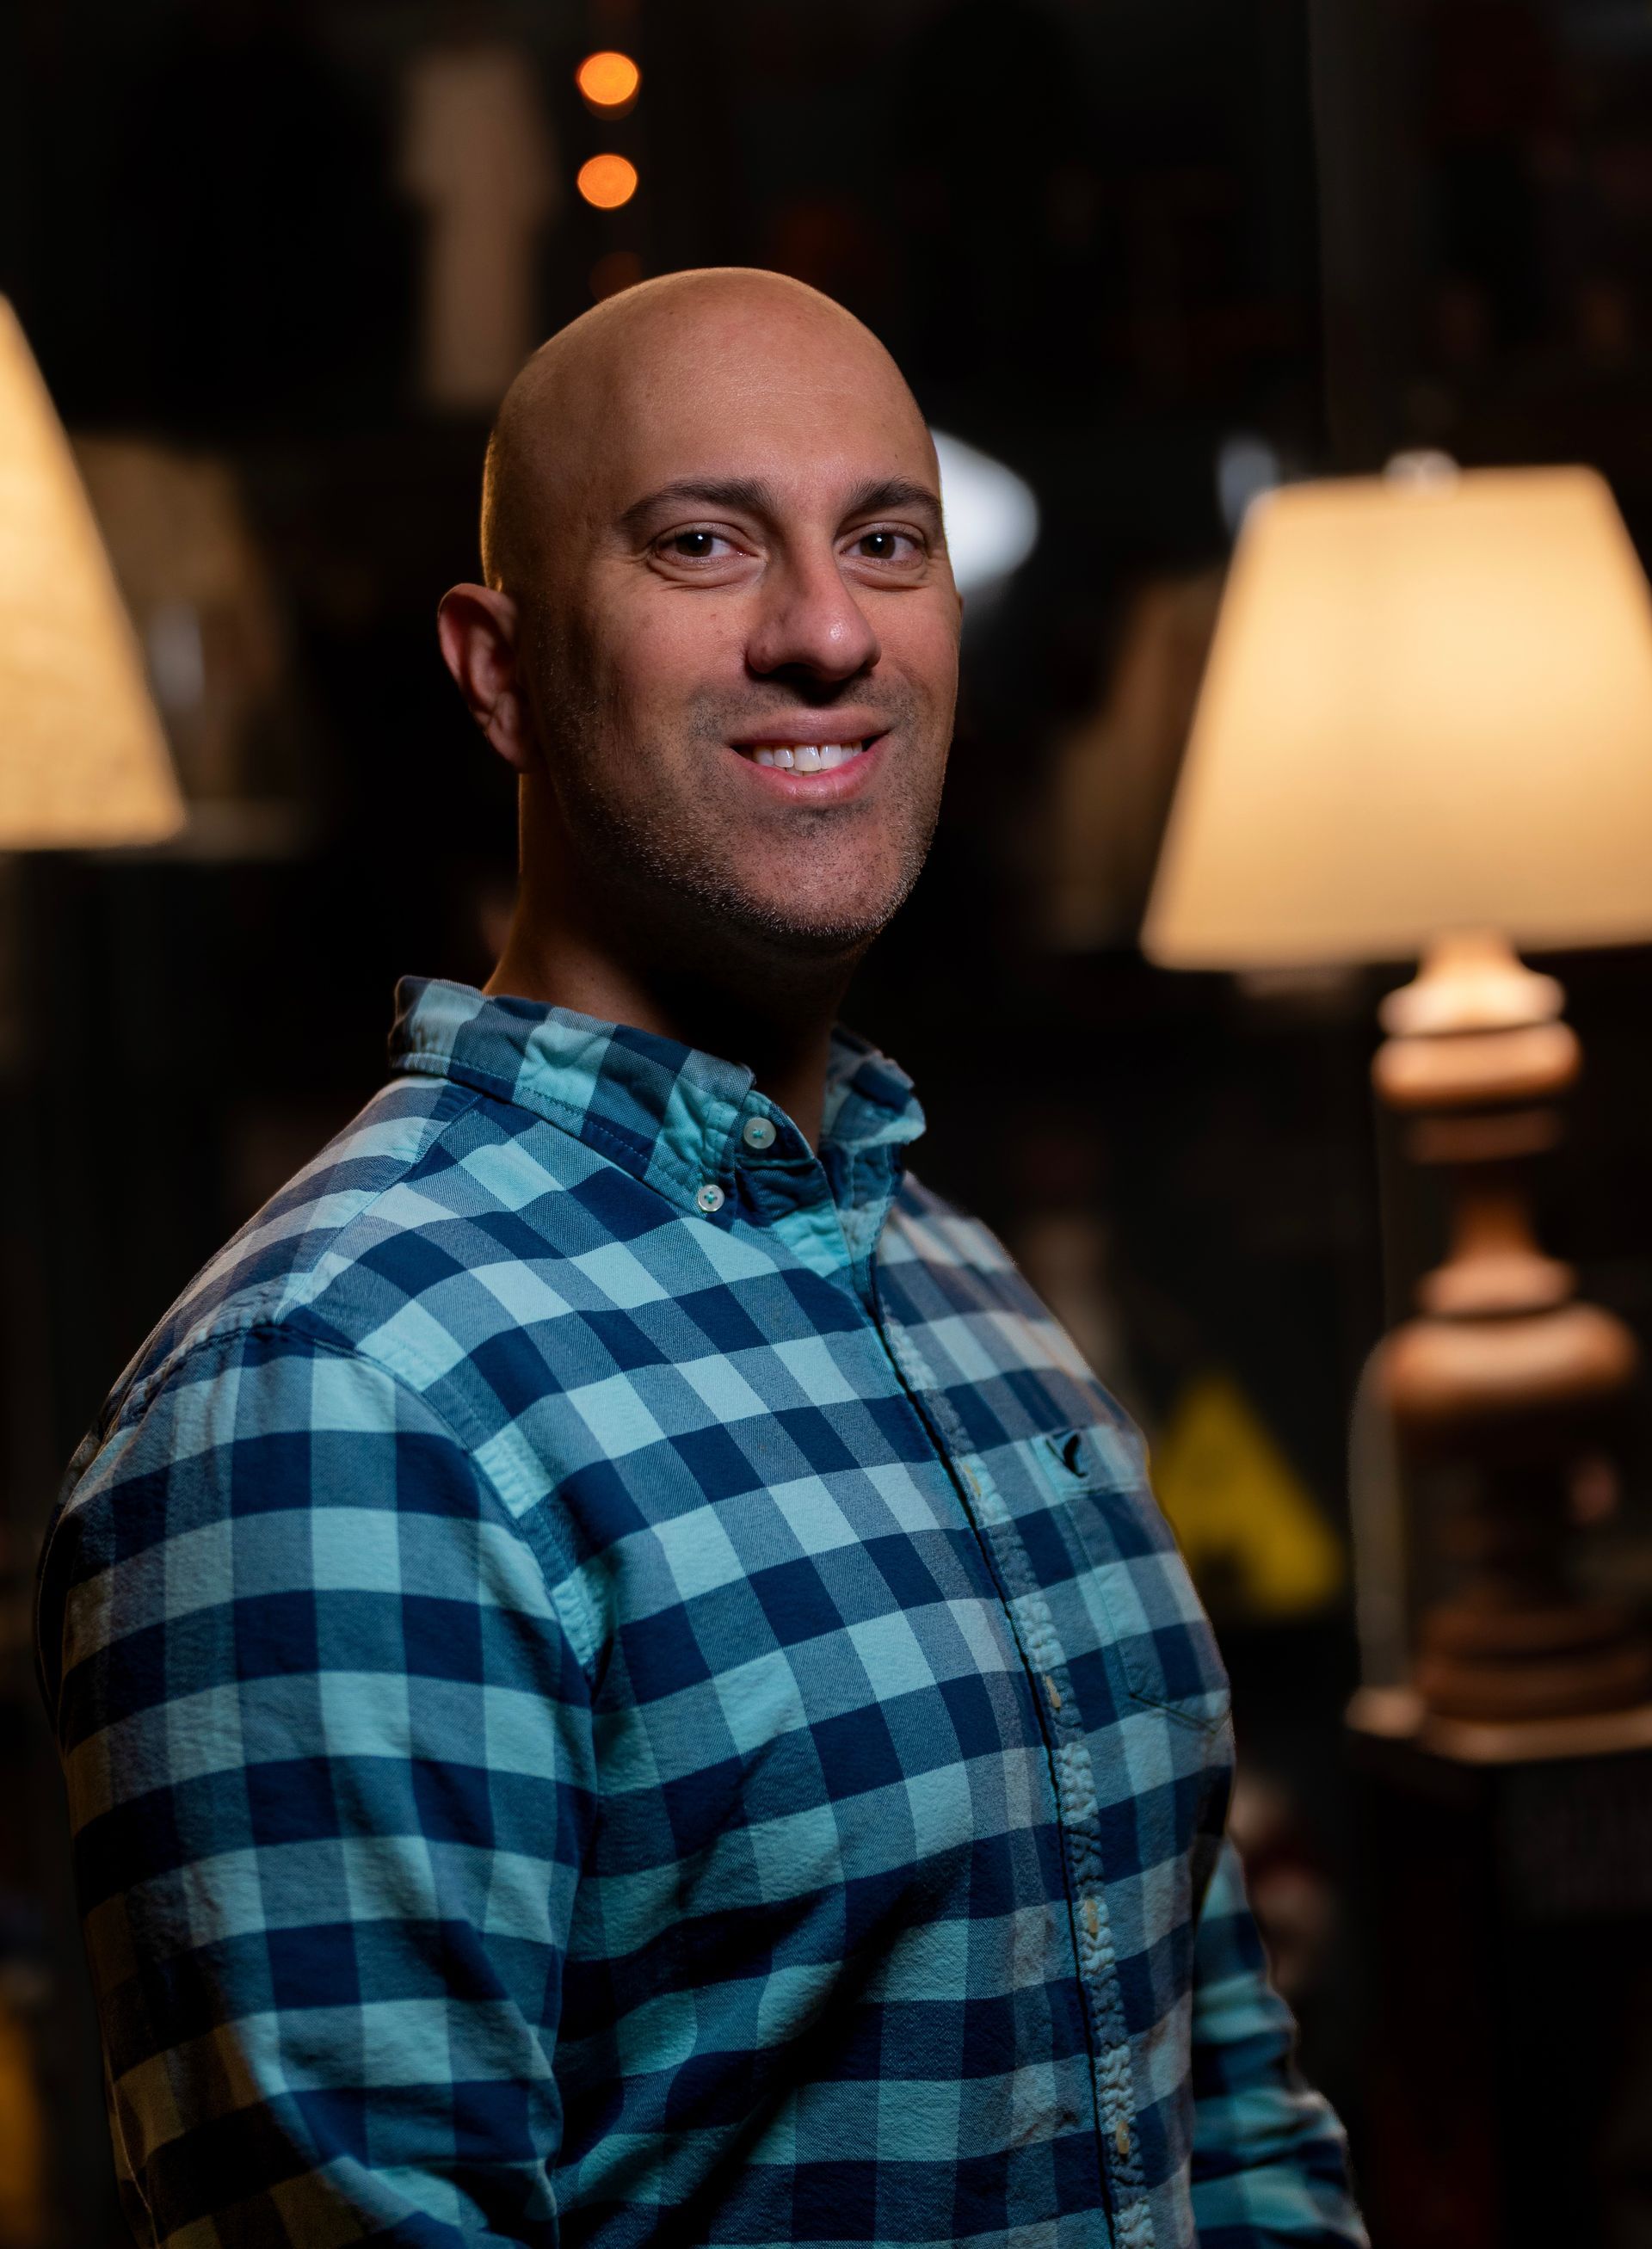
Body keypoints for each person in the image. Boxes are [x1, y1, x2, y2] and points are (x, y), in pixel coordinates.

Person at [36, 269, 1363, 2249]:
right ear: (496, 671)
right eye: (703, 542)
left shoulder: (966, 1286)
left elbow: (1221, 2101)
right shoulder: (336, 1392)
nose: (826, 630)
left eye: (886, 541)